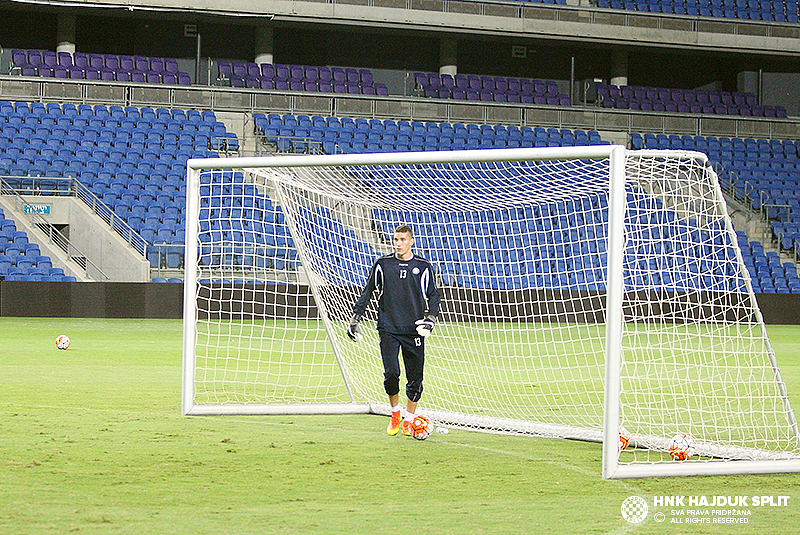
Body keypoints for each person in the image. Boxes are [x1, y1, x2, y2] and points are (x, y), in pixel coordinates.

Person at [347, 224, 441, 436]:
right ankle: (395, 413)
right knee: (391, 374)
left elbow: (434, 295)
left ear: (411, 241)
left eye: (402, 240)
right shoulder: (383, 264)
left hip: (414, 330)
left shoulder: (423, 266)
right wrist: (355, 318)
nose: (398, 244)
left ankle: (409, 419)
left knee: (415, 378)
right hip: (388, 327)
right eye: (395, 240)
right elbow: (368, 290)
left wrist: (431, 319)